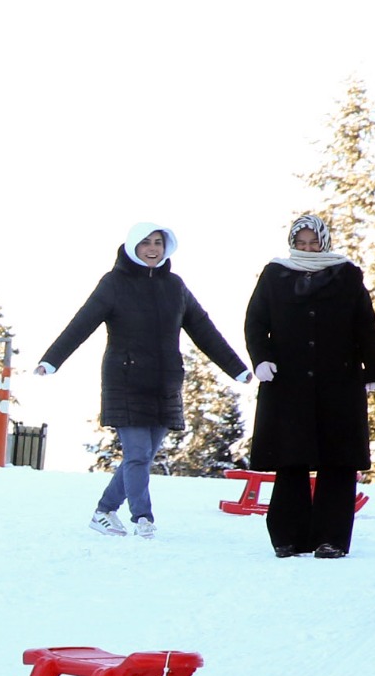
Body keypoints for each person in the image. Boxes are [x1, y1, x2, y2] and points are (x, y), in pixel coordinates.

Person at [35, 221, 250, 538]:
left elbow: (205, 330)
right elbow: (81, 323)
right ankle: (143, 519)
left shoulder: (175, 286)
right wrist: (51, 360)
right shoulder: (114, 283)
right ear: (133, 246)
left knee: (142, 456)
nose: (152, 249)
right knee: (137, 454)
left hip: (165, 384)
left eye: (158, 243)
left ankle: (104, 511)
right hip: (126, 380)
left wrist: (237, 368)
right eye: (146, 243)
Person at [244, 214, 375, 559]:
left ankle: (331, 538)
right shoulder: (275, 274)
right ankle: (288, 537)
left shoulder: (346, 273)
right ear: (292, 243)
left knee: (338, 460)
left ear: (324, 241)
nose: (308, 248)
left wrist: (374, 370)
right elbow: (255, 321)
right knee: (290, 457)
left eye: (314, 242)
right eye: (301, 243)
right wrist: (260, 359)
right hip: (287, 381)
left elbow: (366, 324)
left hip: (339, 380)